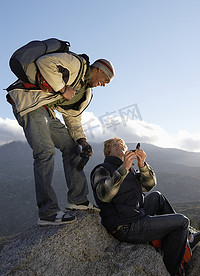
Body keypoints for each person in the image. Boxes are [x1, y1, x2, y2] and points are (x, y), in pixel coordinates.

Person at [6, 51, 114, 226]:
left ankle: (77, 201)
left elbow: (73, 118)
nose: (104, 84)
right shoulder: (76, 64)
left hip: (46, 112)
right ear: (99, 69)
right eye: (106, 79)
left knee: (72, 148)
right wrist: (63, 90)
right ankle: (47, 212)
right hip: (29, 103)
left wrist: (82, 141)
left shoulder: (86, 95)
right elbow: (44, 62)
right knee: (45, 152)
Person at [90, 137, 200, 276]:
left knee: (157, 197)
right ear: (108, 152)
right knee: (182, 221)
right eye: (114, 145)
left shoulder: (130, 170)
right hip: (124, 226)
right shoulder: (102, 169)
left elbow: (149, 185)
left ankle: (186, 238)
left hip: (134, 214)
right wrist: (123, 168)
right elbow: (104, 195)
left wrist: (142, 165)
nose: (119, 146)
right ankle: (173, 270)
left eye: (122, 145)